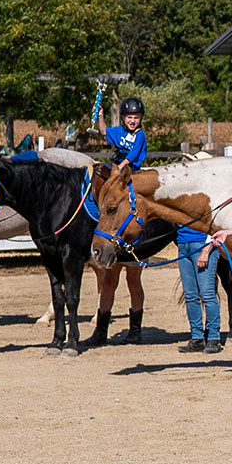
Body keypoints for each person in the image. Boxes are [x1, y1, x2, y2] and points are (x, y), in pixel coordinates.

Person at [92, 96, 152, 345]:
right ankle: (101, 331)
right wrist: (100, 115)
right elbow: (104, 130)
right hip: (117, 172)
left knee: (133, 280)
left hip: (130, 174)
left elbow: (132, 159)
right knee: (109, 280)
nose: (132, 120)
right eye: (129, 117)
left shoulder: (140, 135)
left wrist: (119, 171)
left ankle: (135, 329)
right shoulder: (119, 131)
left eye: (135, 117)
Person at [174, 215, 225, 355]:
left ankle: (214, 338)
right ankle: (197, 337)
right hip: (183, 245)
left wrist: (206, 250)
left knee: (207, 293)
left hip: (201, 244)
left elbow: (215, 221)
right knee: (190, 295)